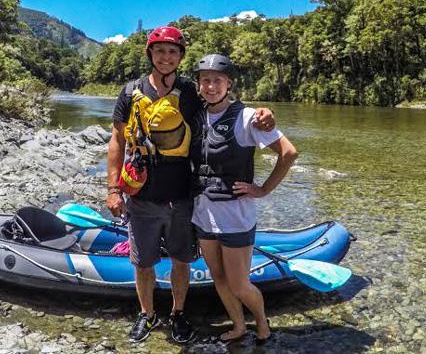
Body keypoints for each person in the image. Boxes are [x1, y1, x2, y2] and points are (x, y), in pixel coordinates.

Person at [106, 28, 275, 344]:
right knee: (143, 262)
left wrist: (262, 114)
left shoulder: (190, 93)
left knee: (181, 260)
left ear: (180, 57)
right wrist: (113, 189)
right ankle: (147, 314)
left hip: (183, 195)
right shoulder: (130, 92)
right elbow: (117, 140)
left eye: (172, 52)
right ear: (151, 55)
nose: (166, 57)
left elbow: (222, 105)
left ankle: (178, 313)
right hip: (141, 194)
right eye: (160, 51)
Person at [189, 54, 298, 345]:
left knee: (238, 283)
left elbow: (289, 153)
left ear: (229, 84)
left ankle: (262, 323)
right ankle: (238, 326)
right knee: (219, 278)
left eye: (218, 80)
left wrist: (263, 189)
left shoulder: (248, 117)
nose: (211, 86)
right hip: (203, 212)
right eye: (205, 81)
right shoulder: (196, 115)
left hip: (235, 214)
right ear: (199, 85)